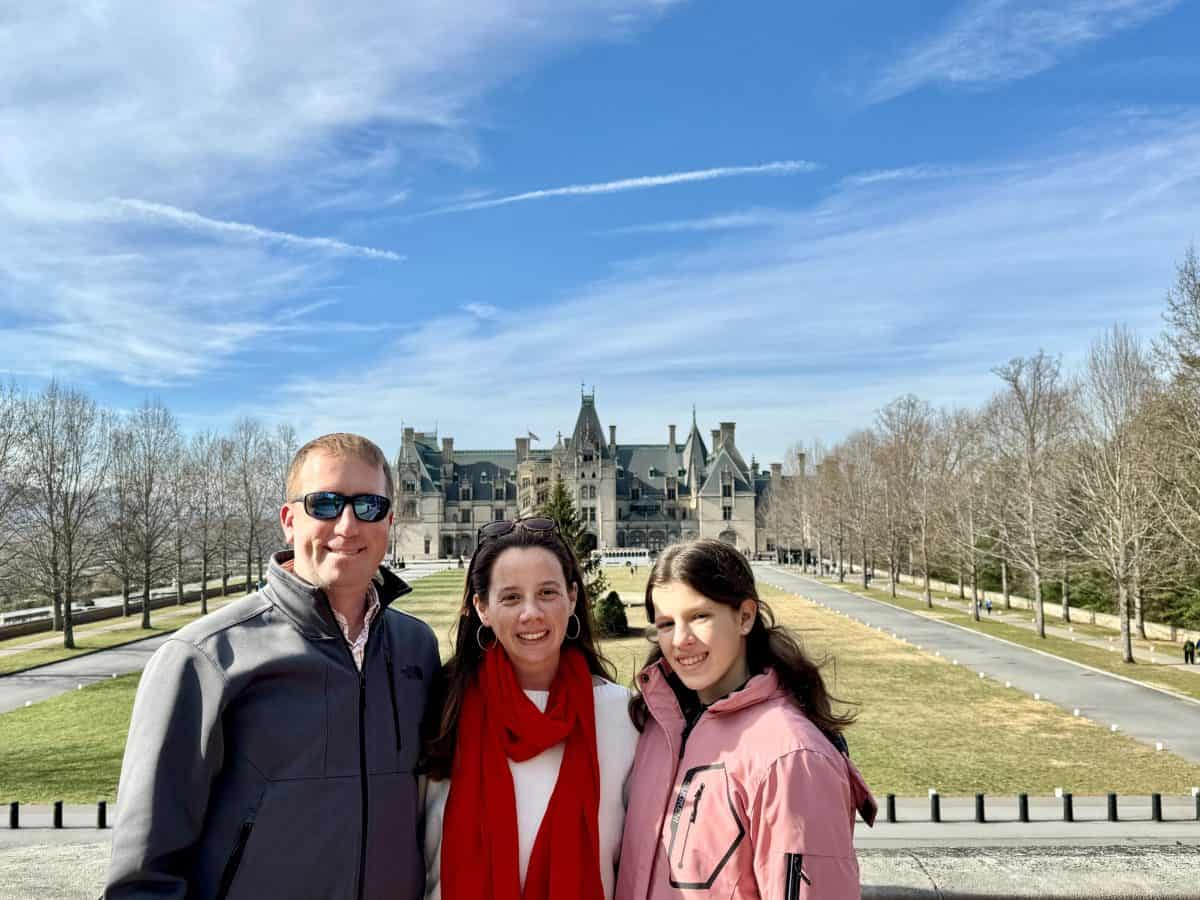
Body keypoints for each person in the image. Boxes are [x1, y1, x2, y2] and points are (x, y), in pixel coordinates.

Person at [105, 433, 440, 900]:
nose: (347, 525)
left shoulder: (415, 649)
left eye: (368, 506)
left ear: (389, 519)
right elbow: (144, 878)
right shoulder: (205, 658)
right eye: (324, 504)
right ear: (289, 520)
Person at [617, 538, 876, 900]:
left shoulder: (791, 758)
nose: (680, 640)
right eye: (665, 623)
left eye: (699, 616)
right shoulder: (656, 730)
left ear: (745, 617)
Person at [421, 517, 638, 900]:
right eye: (511, 597)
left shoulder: (623, 715)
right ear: (482, 608)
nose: (531, 613)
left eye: (547, 593)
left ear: (572, 598)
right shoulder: (442, 708)